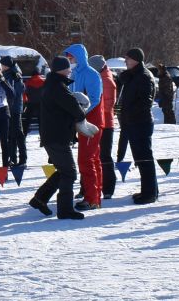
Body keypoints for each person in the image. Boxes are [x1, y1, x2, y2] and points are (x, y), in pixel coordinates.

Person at [27, 55, 88, 222]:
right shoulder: (58, 87)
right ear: (62, 69)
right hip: (57, 137)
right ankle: (65, 210)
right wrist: (81, 106)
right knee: (69, 173)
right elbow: (76, 111)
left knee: (63, 171)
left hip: (52, 135)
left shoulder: (51, 84)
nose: (70, 71)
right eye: (68, 68)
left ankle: (40, 199)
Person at [114, 49, 159, 204]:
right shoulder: (132, 76)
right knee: (140, 159)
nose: (125, 60)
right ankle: (149, 190)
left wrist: (129, 112)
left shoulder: (144, 77)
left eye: (127, 58)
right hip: (132, 122)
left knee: (145, 159)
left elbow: (145, 102)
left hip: (141, 122)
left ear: (136, 60)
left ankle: (150, 194)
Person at [65, 43, 104, 208]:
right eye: (68, 57)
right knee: (92, 159)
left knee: (87, 160)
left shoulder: (91, 74)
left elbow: (94, 99)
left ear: (78, 57)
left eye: (71, 57)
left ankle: (92, 198)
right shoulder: (73, 73)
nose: (69, 60)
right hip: (81, 122)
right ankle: (94, 194)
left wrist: (80, 114)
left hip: (91, 123)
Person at [92, 55, 118, 202]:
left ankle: (108, 188)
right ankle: (91, 186)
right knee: (93, 156)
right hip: (97, 122)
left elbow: (107, 106)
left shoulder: (106, 80)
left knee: (104, 156)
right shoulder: (100, 77)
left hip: (105, 124)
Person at [0, 55, 27, 169]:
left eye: (2, 65)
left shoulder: (15, 75)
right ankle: (13, 158)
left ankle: (22, 159)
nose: (1, 67)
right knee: (11, 135)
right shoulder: (7, 74)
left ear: (6, 65)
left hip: (15, 108)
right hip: (8, 108)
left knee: (17, 134)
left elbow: (18, 91)